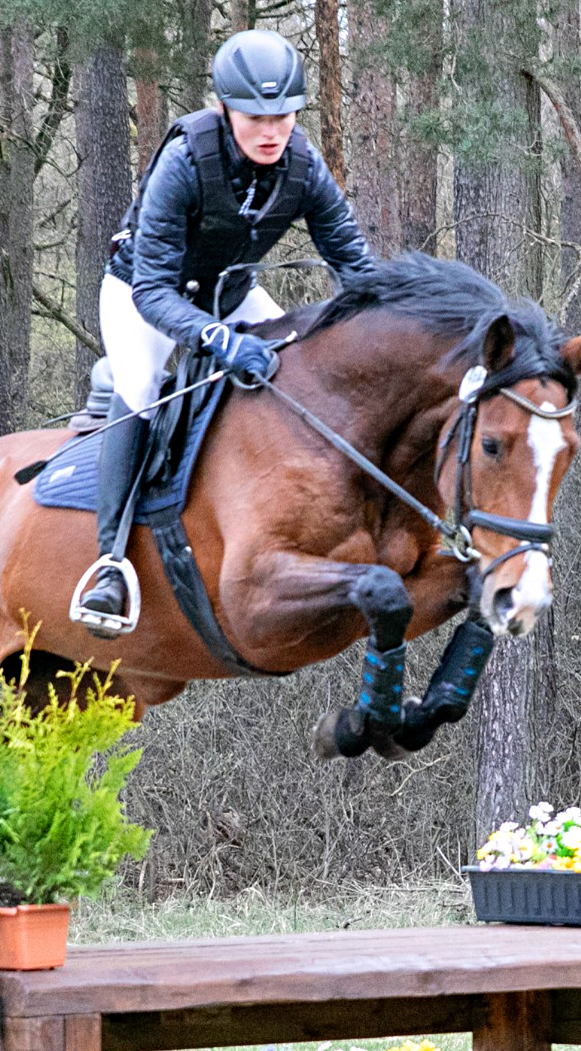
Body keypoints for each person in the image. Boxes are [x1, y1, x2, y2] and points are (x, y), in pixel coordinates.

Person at [75, 27, 376, 626]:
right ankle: (109, 563)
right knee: (140, 390)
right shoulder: (185, 161)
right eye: (256, 117)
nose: (271, 131)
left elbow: (353, 263)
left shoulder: (304, 165)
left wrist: (398, 316)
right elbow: (153, 289)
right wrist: (217, 339)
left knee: (293, 368)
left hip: (229, 294)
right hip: (144, 297)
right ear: (226, 108)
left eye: (284, 117)